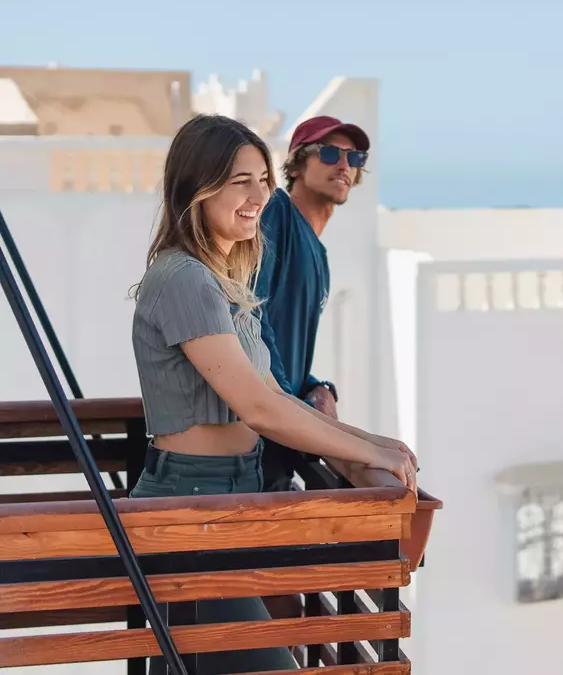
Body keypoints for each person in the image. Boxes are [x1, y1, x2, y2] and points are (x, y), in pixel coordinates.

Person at [129, 113, 416, 674]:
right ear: (197, 186)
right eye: (241, 181)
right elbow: (259, 408)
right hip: (189, 506)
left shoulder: (225, 281)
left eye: (262, 179)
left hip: (234, 497)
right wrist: (370, 456)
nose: (260, 194)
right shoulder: (184, 278)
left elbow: (275, 392)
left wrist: (364, 439)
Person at [252, 115, 377, 492]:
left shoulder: (319, 255)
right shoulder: (277, 212)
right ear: (298, 163)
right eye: (329, 153)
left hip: (281, 437)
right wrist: (288, 406)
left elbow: (287, 342)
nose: (343, 165)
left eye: (354, 159)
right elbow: (250, 315)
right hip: (255, 439)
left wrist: (318, 387)